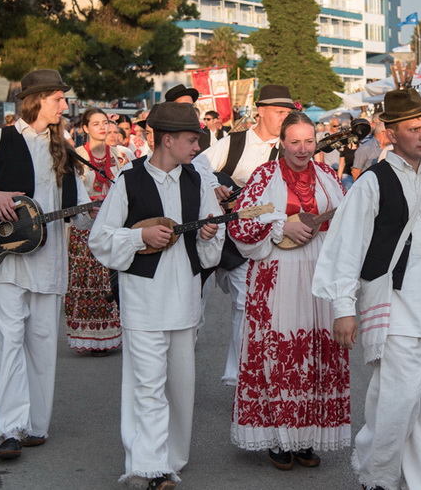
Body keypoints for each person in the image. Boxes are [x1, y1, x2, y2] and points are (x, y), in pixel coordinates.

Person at [313, 87, 421, 490]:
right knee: (395, 403)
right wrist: (343, 308)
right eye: (414, 128)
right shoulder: (371, 184)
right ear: (390, 133)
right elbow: (345, 248)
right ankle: (377, 477)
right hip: (395, 308)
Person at [0, 69, 94, 459]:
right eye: (59, 98)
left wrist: (108, 213)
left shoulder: (64, 147)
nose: (65, 104)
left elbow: (79, 213)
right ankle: (8, 429)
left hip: (49, 262)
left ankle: (35, 426)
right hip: (4, 262)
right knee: (7, 343)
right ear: (36, 100)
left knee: (42, 344)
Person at [89, 101, 223, 490]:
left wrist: (209, 235)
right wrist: (138, 236)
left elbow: (213, 242)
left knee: (181, 387)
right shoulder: (129, 179)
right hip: (143, 296)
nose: (196, 147)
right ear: (167, 139)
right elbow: (100, 238)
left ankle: (171, 458)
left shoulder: (198, 182)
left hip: (183, 297)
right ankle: (149, 467)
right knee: (146, 385)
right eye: (190, 140)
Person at [228, 112, 350, 470]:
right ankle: (280, 438)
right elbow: (242, 221)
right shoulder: (265, 176)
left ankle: (307, 437)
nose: (302, 149)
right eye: (294, 141)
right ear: (281, 142)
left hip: (320, 272)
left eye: (308, 141)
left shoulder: (327, 176)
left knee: (317, 353)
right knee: (279, 354)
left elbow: (344, 221)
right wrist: (281, 226)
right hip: (276, 272)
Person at [194, 84, 294, 388]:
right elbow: (197, 165)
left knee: (245, 304)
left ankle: (238, 377)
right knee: (194, 303)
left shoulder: (287, 149)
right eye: (279, 112)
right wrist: (213, 187)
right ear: (260, 111)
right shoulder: (234, 142)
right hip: (214, 232)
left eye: (288, 113)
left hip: (251, 238)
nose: (284, 118)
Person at [65, 108, 125, 354]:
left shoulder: (120, 156)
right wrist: (85, 210)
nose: (102, 127)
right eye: (96, 123)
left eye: (105, 122)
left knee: (109, 281)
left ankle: (110, 334)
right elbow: (69, 193)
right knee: (85, 281)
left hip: (110, 226)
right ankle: (86, 336)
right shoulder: (76, 157)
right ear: (85, 128)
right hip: (84, 229)